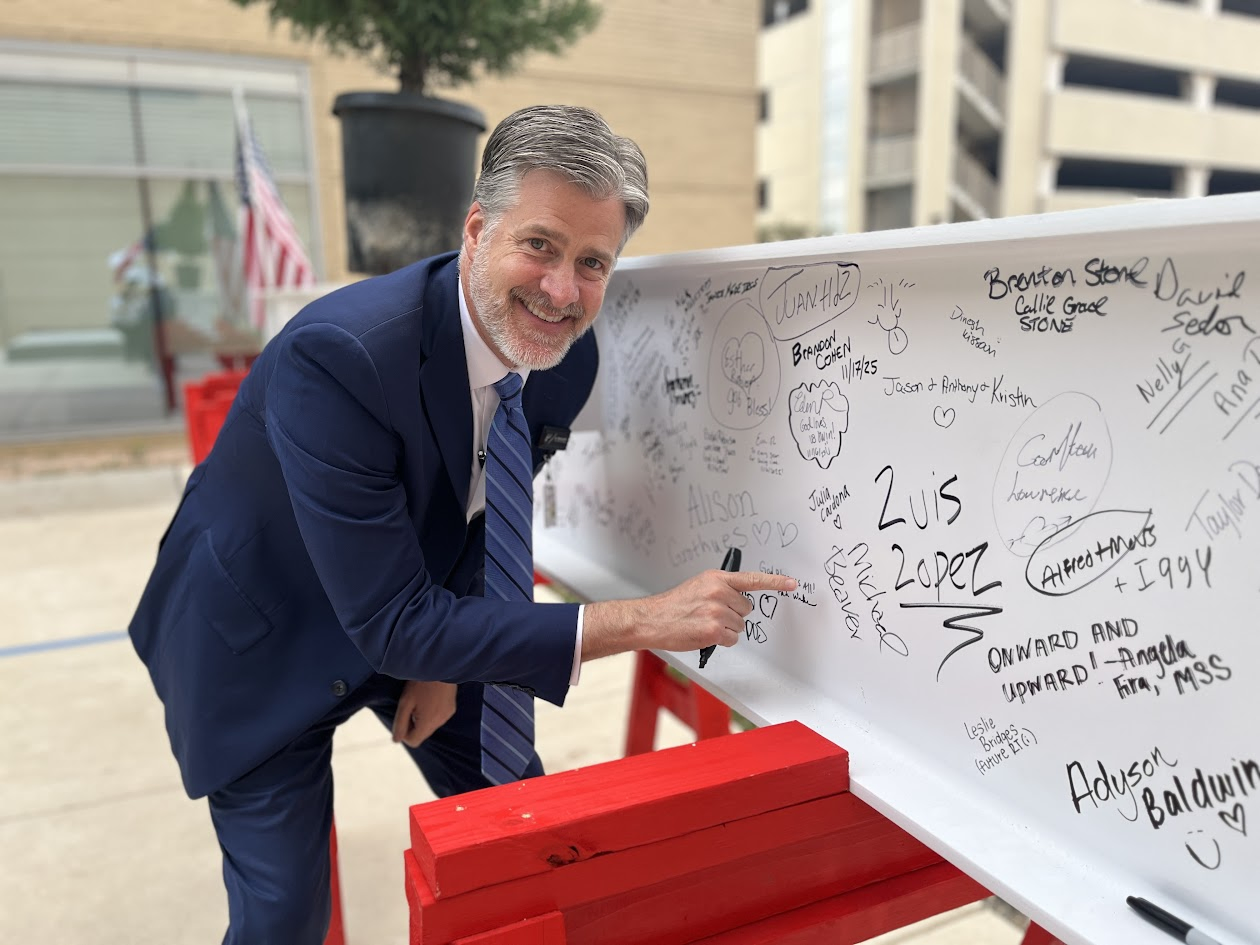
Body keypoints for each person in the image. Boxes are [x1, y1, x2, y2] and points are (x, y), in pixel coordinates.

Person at [128, 104, 795, 944]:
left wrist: (441, 666)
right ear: (478, 226)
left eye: (593, 262)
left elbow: (488, 515)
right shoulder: (342, 356)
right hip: (263, 636)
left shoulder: (562, 358)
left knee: (530, 833)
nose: (562, 290)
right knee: (284, 918)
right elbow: (396, 620)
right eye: (541, 245)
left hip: (409, 609)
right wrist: (646, 619)